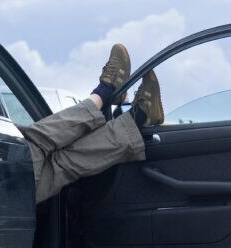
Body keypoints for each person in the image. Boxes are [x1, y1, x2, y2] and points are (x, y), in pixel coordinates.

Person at [20, 43, 162, 204]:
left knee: (62, 164)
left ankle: (140, 116)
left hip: (4, 196)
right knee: (31, 145)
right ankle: (105, 92)